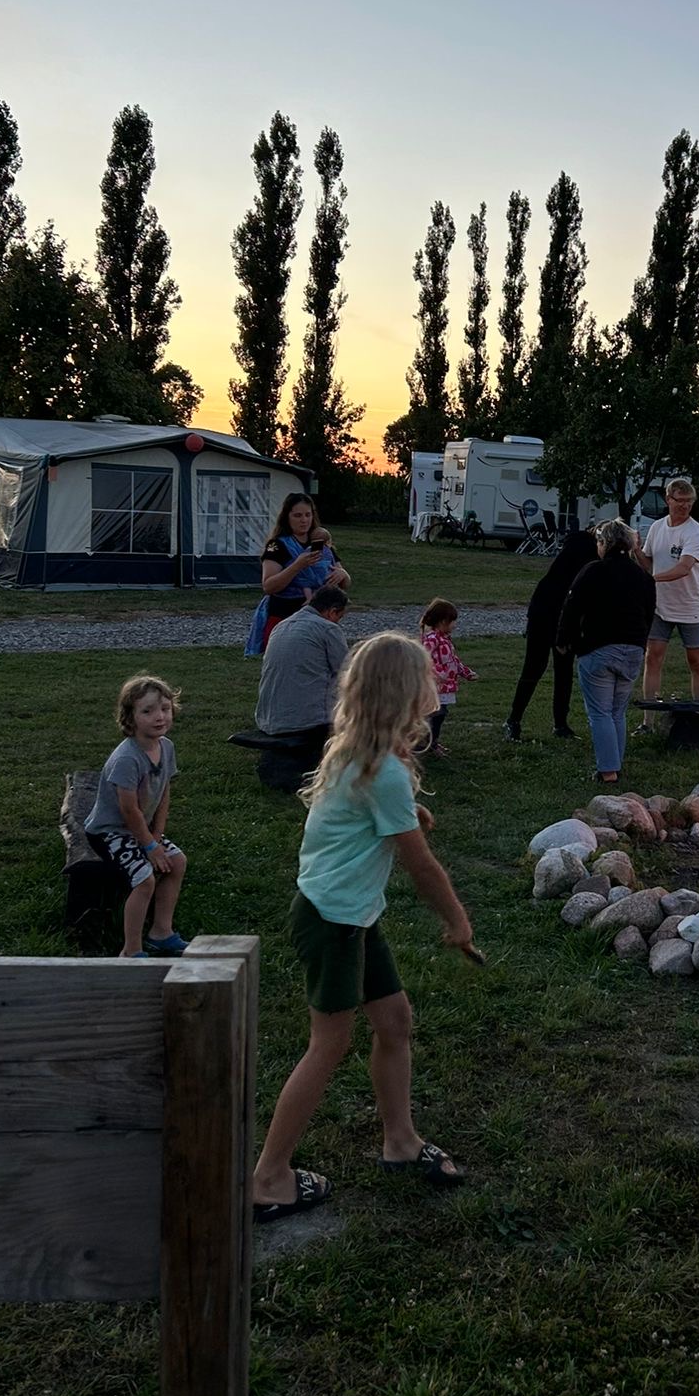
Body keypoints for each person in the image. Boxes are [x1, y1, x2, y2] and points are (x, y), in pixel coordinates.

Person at [251, 632, 475, 1222]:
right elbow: (421, 865)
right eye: (426, 679)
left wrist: (408, 814)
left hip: (350, 915)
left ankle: (399, 1141)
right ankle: (268, 1178)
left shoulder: (360, 753)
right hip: (333, 921)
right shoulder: (384, 772)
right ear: (406, 694)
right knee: (329, 1044)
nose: (433, 687)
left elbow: (364, 816)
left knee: (394, 1021)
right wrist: (456, 918)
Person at [85, 674, 189, 961]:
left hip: (140, 829)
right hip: (109, 831)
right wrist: (150, 847)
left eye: (165, 709)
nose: (159, 717)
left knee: (177, 862)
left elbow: (164, 792)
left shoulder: (166, 747)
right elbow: (128, 810)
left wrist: (157, 836)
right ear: (130, 718)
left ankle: (161, 933)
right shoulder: (127, 759)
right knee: (144, 879)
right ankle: (131, 951)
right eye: (148, 711)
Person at [557, 519, 657, 784]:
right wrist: (641, 643)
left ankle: (608, 771)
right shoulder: (644, 578)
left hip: (599, 647)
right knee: (617, 712)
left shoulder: (593, 571)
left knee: (600, 712)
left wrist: (564, 639)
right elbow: (649, 614)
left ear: (605, 543)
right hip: (633, 650)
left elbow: (572, 607)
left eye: (599, 542)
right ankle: (616, 763)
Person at [504, 529, 598, 741]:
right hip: (553, 620)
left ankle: (517, 720)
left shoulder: (559, 570)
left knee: (537, 669)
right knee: (557, 671)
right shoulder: (585, 565)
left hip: (546, 619)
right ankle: (554, 723)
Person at [637, 478, 699, 711]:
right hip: (660, 606)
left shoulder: (694, 532)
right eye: (680, 500)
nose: (685, 506)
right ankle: (649, 718)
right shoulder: (657, 528)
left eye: (690, 501)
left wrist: (652, 580)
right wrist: (635, 549)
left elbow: (683, 568)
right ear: (668, 499)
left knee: (696, 662)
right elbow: (649, 565)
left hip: (690, 606)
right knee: (652, 658)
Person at [246, 494, 350, 655]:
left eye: (308, 515)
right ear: (287, 517)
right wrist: (297, 565)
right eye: (298, 515)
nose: (304, 520)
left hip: (319, 617)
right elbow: (269, 586)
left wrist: (343, 575)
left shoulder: (319, 542)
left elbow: (344, 582)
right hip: (285, 616)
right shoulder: (277, 546)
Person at [254, 583, 350, 751]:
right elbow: (346, 671)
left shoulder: (281, 626)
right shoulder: (328, 628)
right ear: (332, 611)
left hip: (267, 719)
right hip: (307, 723)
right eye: (339, 617)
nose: (338, 622)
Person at [420, 599, 476, 755]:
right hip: (434, 687)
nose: (455, 625)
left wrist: (466, 672)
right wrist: (438, 674)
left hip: (444, 687)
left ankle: (431, 743)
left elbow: (453, 660)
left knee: (438, 716)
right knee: (434, 716)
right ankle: (427, 744)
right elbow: (423, 658)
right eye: (453, 621)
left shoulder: (445, 640)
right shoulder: (432, 639)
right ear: (443, 621)